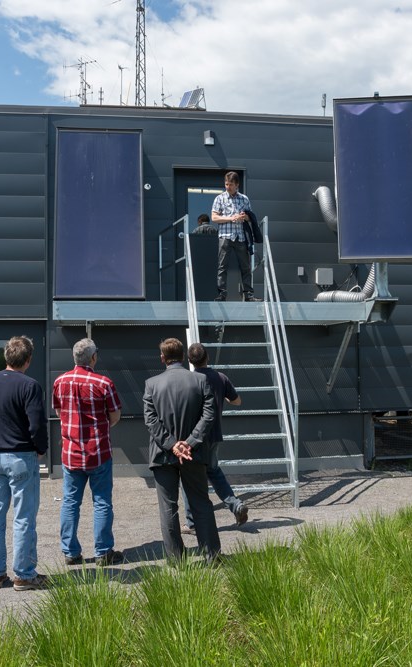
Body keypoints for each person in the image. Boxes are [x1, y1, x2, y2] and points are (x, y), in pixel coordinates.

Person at [0, 336, 49, 591]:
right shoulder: (30, 386)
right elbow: (37, 424)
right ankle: (24, 574)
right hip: (21, 456)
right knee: (24, 517)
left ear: (6, 356)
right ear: (28, 359)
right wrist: (41, 449)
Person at [143, 337, 220, 562]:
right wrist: (190, 442)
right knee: (200, 503)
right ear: (184, 357)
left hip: (162, 454)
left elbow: (150, 420)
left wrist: (171, 444)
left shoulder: (151, 384)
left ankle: (176, 559)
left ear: (162, 358)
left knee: (168, 507)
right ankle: (212, 556)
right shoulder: (200, 380)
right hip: (193, 454)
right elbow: (209, 415)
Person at [52, 338, 124, 567]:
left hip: (71, 452)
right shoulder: (104, 383)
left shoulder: (60, 381)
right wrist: (100, 427)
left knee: (70, 502)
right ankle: (103, 552)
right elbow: (114, 416)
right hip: (98, 452)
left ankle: (70, 552)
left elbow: (58, 411)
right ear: (93, 357)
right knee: (102, 502)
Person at [182, 343, 248, 534]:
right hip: (215, 434)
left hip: (194, 437)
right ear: (207, 357)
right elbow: (237, 401)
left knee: (189, 478)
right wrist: (225, 397)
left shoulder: (190, 379)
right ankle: (235, 505)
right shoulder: (221, 377)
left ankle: (192, 522)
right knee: (214, 473)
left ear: (190, 360)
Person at [211, 171, 259, 302]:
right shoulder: (219, 198)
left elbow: (250, 217)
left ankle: (248, 294)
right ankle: (222, 294)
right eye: (226, 184)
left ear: (237, 185)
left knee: (246, 267)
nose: (228, 187)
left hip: (241, 237)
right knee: (222, 266)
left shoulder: (244, 199)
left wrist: (244, 217)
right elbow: (214, 217)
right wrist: (231, 218)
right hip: (225, 236)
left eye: (231, 184)